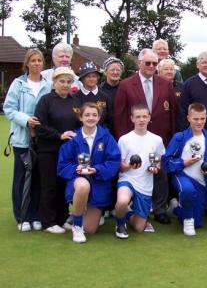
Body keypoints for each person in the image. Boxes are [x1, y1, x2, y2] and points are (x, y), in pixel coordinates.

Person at [114, 48, 176, 225]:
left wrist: (171, 139)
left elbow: (173, 113)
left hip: (159, 138)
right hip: (135, 138)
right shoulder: (126, 85)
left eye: (154, 63)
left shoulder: (165, 84)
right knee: (136, 172)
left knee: (160, 173)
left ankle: (160, 209)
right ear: (139, 63)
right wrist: (123, 140)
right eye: (147, 63)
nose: (151, 66)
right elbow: (119, 115)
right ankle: (131, 207)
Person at [57, 103, 121, 243]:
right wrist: (76, 169)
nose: (90, 118)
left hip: (98, 182)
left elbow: (114, 161)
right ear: (80, 117)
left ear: (99, 118)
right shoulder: (73, 137)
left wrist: (97, 169)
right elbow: (63, 164)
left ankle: (77, 214)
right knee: (83, 186)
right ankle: (77, 226)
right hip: (78, 178)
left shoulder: (106, 137)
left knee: (91, 229)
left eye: (94, 115)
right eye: (87, 115)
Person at [3, 49, 51, 232]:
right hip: (22, 139)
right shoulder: (18, 84)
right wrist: (26, 120)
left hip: (42, 140)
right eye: (33, 60)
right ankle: (22, 216)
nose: (37, 63)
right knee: (22, 178)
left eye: (39, 60)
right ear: (27, 63)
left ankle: (35, 215)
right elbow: (9, 109)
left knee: (39, 178)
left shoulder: (47, 84)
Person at [35, 67, 80, 233]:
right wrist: (59, 135)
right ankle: (48, 221)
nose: (65, 85)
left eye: (69, 81)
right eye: (62, 81)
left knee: (63, 184)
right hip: (49, 150)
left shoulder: (75, 101)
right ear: (54, 82)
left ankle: (62, 219)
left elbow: (79, 125)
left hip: (68, 152)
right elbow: (39, 126)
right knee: (49, 186)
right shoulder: (46, 100)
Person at [164, 103, 207, 236]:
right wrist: (183, 162)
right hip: (182, 175)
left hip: (202, 180)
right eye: (195, 119)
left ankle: (175, 208)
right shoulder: (179, 137)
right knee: (187, 190)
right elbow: (166, 162)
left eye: (202, 119)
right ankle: (187, 221)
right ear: (188, 118)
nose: (199, 122)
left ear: (206, 118)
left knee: (198, 222)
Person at [114, 104, 165, 238]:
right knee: (122, 201)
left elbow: (158, 162)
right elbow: (120, 166)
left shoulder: (157, 140)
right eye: (138, 117)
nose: (141, 120)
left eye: (144, 116)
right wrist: (130, 166)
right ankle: (120, 224)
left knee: (139, 227)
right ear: (132, 119)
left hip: (145, 184)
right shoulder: (124, 139)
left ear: (149, 118)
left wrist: (155, 168)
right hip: (128, 180)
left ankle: (128, 212)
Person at [74, 61, 112, 131]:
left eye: (94, 76)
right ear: (82, 79)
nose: (91, 79)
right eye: (88, 77)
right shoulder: (74, 97)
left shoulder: (105, 97)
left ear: (97, 78)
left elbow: (110, 120)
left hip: (101, 136)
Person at [157, 58, 186, 132]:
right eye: (166, 69)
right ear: (159, 71)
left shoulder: (182, 87)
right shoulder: (154, 86)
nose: (169, 71)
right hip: (160, 128)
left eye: (172, 69)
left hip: (179, 128)